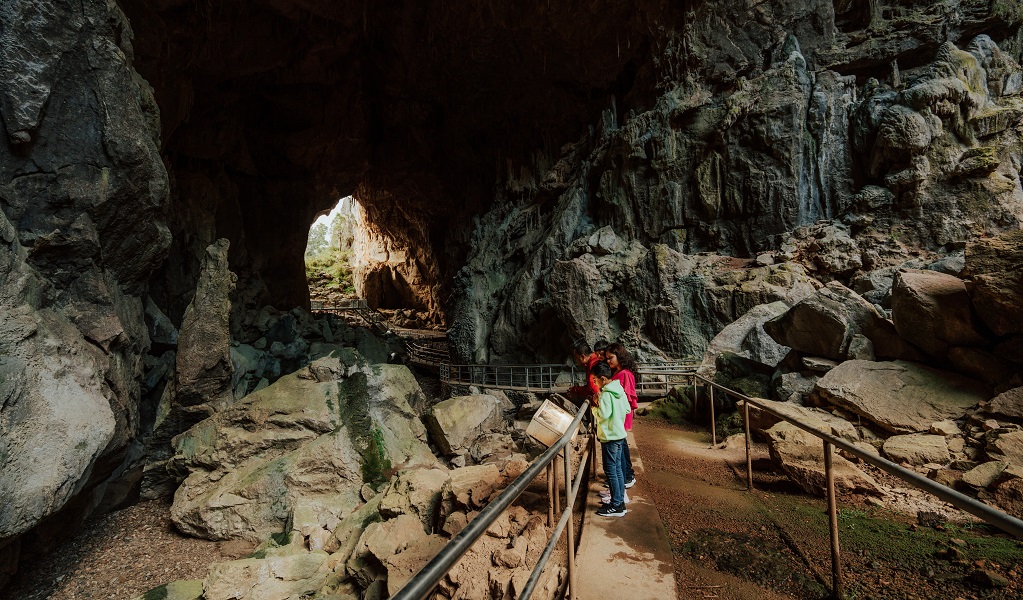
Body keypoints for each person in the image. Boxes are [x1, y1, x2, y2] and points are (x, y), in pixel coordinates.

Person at [591, 360, 631, 517]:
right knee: (618, 470)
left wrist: (595, 406)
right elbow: (627, 408)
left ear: (602, 378)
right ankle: (619, 501)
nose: (594, 382)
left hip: (610, 437)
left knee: (611, 471)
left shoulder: (607, 393)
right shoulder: (618, 389)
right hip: (619, 435)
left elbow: (604, 414)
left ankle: (616, 505)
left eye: (595, 380)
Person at [604, 342, 638, 488]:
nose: (608, 360)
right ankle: (623, 478)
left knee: (620, 447)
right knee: (621, 446)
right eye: (606, 358)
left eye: (611, 357)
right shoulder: (618, 373)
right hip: (620, 415)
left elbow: (628, 396)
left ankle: (626, 477)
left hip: (621, 415)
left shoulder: (625, 374)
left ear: (619, 356)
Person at [567, 340, 601, 407]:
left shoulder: (592, 365)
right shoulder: (596, 359)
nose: (575, 360)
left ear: (582, 357)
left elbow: (591, 388)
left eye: (576, 358)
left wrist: (575, 390)